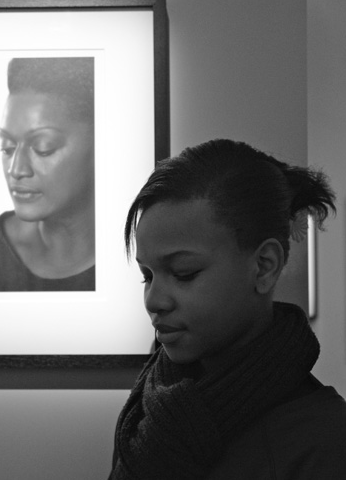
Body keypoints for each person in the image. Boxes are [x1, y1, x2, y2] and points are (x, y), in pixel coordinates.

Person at [109, 139, 346, 479]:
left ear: (264, 266)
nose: (154, 300)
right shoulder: (152, 405)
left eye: (183, 274)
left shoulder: (324, 436)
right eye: (147, 275)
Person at [0, 57, 95, 292]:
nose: (16, 169)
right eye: (7, 147)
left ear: (100, 142)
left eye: (44, 147)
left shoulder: (140, 264)